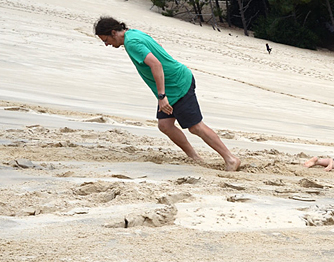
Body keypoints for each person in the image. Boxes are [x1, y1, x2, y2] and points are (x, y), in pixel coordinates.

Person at [94, 17, 240, 171]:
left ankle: (230, 159)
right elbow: (158, 47)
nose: (106, 44)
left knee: (195, 127)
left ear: (113, 32)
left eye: (106, 39)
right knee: (165, 125)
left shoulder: (131, 43)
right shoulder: (134, 33)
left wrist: (162, 96)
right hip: (171, 85)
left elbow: (156, 64)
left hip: (177, 85)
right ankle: (194, 157)